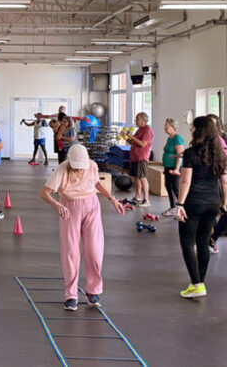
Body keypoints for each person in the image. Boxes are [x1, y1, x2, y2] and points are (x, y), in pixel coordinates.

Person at [41, 144, 126, 310]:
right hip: (69, 208)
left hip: (92, 206)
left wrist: (112, 198)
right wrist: (57, 205)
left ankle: (93, 291)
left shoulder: (92, 166)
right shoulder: (62, 169)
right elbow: (44, 193)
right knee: (71, 252)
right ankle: (71, 294)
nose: (80, 170)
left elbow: (96, 183)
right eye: (77, 167)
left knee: (95, 250)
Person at [175, 116, 227, 299]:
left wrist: (180, 204)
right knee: (204, 242)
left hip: (193, 203)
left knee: (188, 243)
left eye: (193, 127)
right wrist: (223, 203)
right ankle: (200, 283)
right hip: (213, 203)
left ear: (200, 131)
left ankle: (197, 284)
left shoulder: (191, 153)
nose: (191, 129)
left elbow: (186, 180)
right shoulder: (219, 153)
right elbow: (225, 183)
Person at [124, 112, 154, 207]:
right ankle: (138, 197)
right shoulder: (139, 130)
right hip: (135, 157)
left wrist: (131, 136)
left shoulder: (147, 130)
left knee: (142, 177)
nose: (135, 121)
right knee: (136, 177)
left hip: (142, 157)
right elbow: (133, 143)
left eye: (137, 119)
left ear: (143, 120)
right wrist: (126, 137)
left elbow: (142, 144)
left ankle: (146, 200)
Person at [160, 118, 186, 217]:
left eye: (166, 125)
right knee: (168, 186)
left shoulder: (177, 138)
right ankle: (173, 207)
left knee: (175, 187)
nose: (165, 127)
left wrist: (176, 169)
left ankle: (182, 208)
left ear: (172, 127)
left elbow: (180, 155)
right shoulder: (169, 138)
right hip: (168, 167)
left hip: (176, 168)